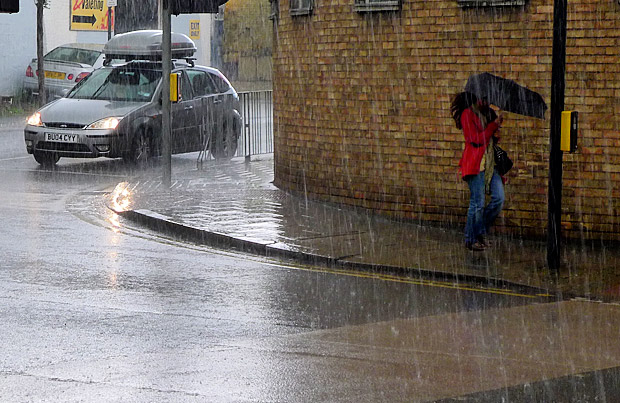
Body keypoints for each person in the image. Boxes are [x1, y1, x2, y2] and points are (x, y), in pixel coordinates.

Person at [451, 92, 505, 251]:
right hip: (475, 165)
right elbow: (475, 139)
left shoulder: (488, 114)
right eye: (483, 99)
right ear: (476, 99)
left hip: (489, 164)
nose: (486, 102)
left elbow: (490, 140)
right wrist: (492, 127)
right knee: (478, 204)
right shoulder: (467, 114)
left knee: (498, 199)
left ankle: (479, 231)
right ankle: (471, 238)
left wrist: (496, 131)